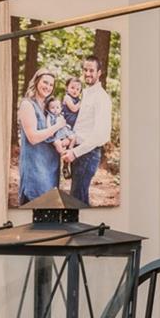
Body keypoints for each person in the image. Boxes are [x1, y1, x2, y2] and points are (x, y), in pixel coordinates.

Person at [63, 54, 114, 206]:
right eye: (85, 70)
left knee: (76, 199)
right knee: (79, 198)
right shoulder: (86, 93)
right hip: (79, 151)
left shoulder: (101, 98)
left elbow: (100, 135)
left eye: (91, 70)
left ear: (99, 73)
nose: (87, 73)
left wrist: (74, 152)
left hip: (87, 154)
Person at [15, 69, 65, 204]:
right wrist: (57, 126)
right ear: (37, 81)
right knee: (34, 210)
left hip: (51, 167)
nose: (48, 87)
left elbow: (55, 136)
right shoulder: (27, 104)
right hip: (35, 168)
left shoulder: (50, 107)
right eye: (45, 82)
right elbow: (33, 137)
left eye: (51, 85)